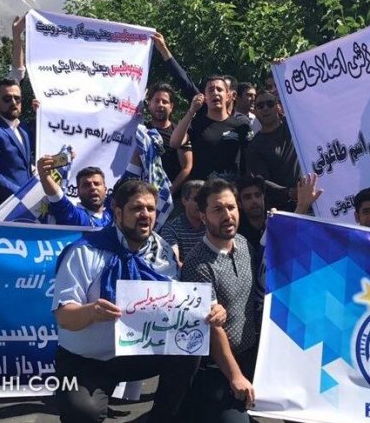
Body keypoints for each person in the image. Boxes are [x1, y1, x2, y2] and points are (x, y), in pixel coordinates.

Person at [52, 179, 225, 422]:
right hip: (85, 361)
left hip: (136, 352)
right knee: (82, 413)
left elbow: (180, 305)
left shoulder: (162, 252)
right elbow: (64, 317)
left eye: (151, 209)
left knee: (188, 349)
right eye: (137, 208)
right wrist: (91, 311)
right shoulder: (84, 251)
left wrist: (211, 309)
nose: (145, 215)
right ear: (118, 212)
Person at [180, 178, 259, 423]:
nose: (227, 215)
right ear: (203, 217)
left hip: (254, 358)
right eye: (217, 209)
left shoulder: (245, 245)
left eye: (231, 207)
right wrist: (235, 376)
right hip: (217, 368)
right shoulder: (197, 265)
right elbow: (214, 330)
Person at [171, 76, 253, 182]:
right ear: (205, 98)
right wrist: (191, 111)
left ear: (228, 96)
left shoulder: (241, 126)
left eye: (219, 89)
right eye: (210, 90)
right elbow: (174, 143)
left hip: (231, 188)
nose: (215, 93)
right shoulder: (195, 124)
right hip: (202, 188)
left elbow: (250, 159)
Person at [246, 91, 302, 211]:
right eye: (260, 105)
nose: (265, 108)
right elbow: (262, 181)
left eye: (270, 103)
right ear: (255, 111)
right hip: (286, 209)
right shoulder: (254, 146)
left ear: (278, 107)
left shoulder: (295, 126)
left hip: (317, 198)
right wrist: (290, 193)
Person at [144, 83, 192, 199]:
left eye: (164, 102)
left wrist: (170, 191)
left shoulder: (179, 132)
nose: (160, 105)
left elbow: (187, 167)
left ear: (171, 107)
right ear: (149, 104)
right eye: (156, 101)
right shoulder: (142, 130)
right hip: (145, 194)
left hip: (173, 198)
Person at [37, 157, 113, 227]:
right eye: (86, 185)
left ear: (105, 189)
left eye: (97, 184)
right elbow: (58, 199)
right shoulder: (77, 216)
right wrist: (44, 175)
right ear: (78, 192)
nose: (93, 187)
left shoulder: (113, 210)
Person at [159, 179, 205, 264]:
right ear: (184, 200)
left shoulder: (213, 224)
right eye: (197, 199)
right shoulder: (171, 228)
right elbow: (172, 260)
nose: (201, 203)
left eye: (204, 199)